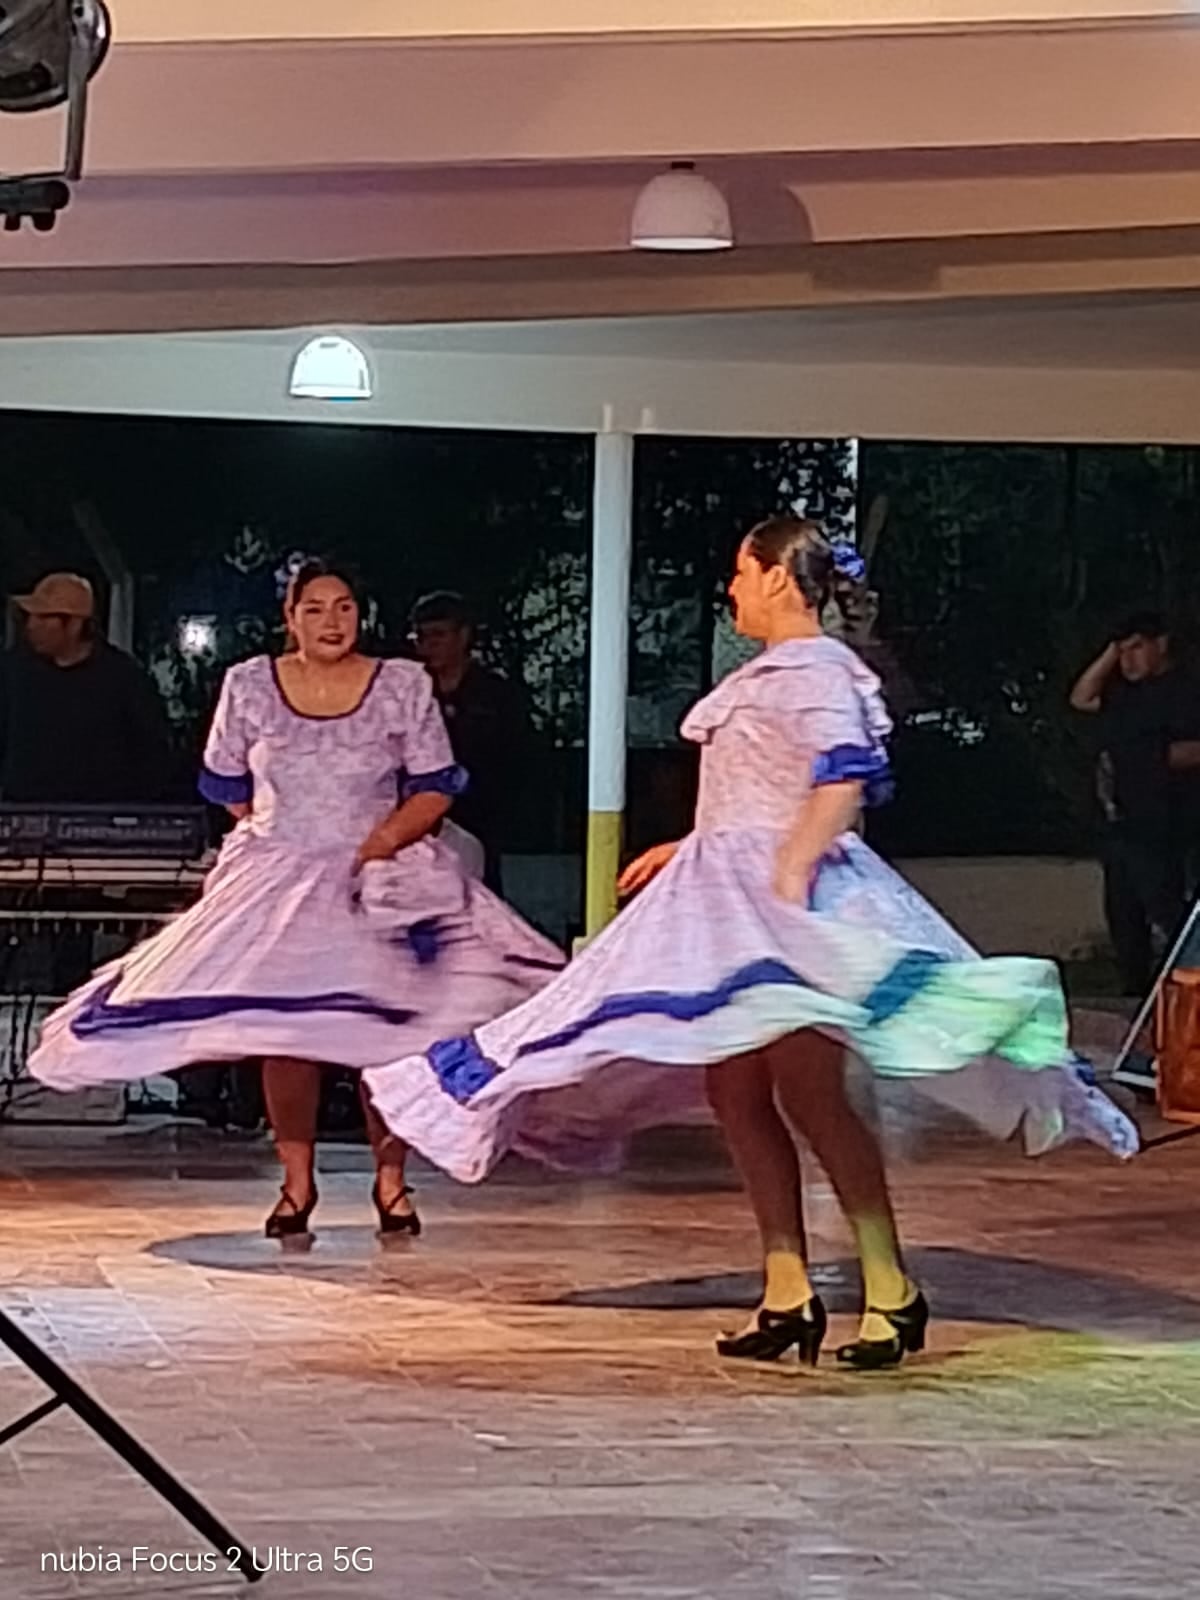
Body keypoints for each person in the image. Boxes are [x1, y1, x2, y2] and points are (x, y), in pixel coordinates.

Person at [367, 519, 1136, 1371]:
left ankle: (889, 1285)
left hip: (778, 915)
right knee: (735, 1094)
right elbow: (749, 800)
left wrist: (788, 877)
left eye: (740, 570)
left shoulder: (815, 669)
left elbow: (841, 779)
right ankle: (787, 1287)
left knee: (810, 1095)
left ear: (776, 576)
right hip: (729, 903)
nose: (731, 588)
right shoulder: (767, 676)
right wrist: (690, 849)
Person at [28, 561, 564, 1238]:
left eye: (343, 607)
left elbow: (435, 782)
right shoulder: (250, 683)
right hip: (279, 875)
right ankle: (295, 1183)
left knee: (386, 1032)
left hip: (379, 871)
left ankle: (391, 1181)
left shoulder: (401, 683)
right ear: (290, 618)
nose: (331, 621)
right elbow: (222, 780)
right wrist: (272, 834)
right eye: (314, 609)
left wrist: (378, 843)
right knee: (285, 1033)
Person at [1069, 612, 1200, 998]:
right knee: (1125, 918)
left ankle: (1184, 989)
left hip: (1167, 821)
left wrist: (1155, 758)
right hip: (1122, 822)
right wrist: (1113, 651)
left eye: (1137, 648)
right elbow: (1081, 697)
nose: (1129, 660)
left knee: (1167, 909)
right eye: (1123, 652)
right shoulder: (1123, 694)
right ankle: (1136, 995)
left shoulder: (1185, 689)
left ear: (1161, 644)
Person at [0, 572, 170, 804]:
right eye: (29, 616)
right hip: (23, 811)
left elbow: (153, 754)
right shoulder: (13, 671)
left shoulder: (122, 678)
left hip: (100, 817)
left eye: (42, 617)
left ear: (74, 624)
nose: (31, 625)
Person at [409, 592, 536, 889]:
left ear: (463, 635)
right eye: (421, 637)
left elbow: (520, 757)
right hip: (420, 819)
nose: (429, 646)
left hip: (482, 817)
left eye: (438, 635)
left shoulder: (495, 695)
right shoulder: (409, 694)